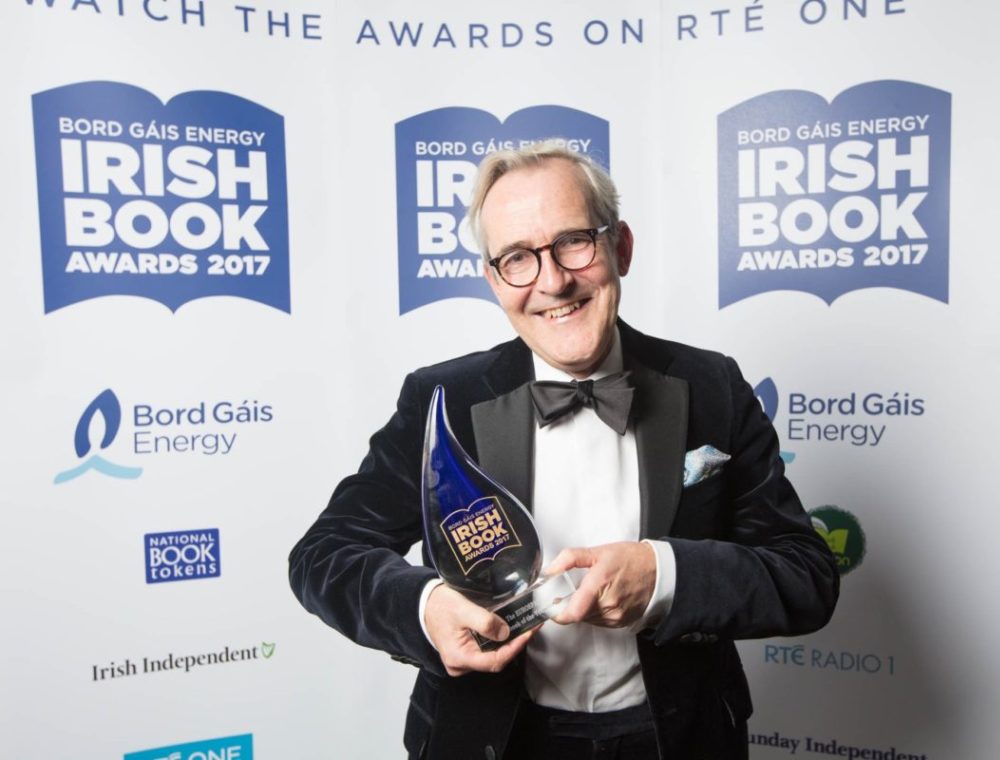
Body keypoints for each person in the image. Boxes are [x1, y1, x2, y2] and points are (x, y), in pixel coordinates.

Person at [288, 140, 840, 760]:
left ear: (620, 247)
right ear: (495, 280)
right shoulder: (441, 400)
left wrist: (665, 576)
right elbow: (323, 554)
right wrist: (426, 607)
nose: (552, 282)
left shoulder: (712, 387)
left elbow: (806, 575)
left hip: (680, 739)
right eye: (518, 258)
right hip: (494, 741)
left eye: (574, 241)